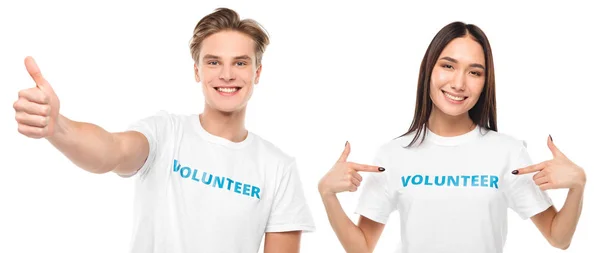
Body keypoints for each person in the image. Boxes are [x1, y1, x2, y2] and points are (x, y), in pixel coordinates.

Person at [13, 7, 315, 253]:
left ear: (256, 72)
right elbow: (111, 151)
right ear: (197, 70)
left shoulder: (278, 168)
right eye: (213, 62)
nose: (226, 74)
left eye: (239, 62)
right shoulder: (164, 133)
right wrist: (58, 127)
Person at [318, 21, 586, 253]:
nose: (459, 83)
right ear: (429, 70)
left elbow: (558, 238)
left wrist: (577, 187)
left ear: (485, 82)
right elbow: (362, 246)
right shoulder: (393, 154)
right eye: (448, 66)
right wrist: (327, 194)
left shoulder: (508, 152)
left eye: (474, 72)